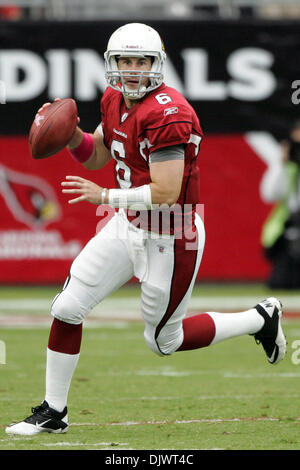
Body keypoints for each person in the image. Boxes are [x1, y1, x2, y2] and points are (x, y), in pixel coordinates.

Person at [6, 23, 286, 436]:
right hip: (127, 224)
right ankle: (54, 411)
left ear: (156, 64)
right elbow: (100, 154)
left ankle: (260, 318)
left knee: (163, 342)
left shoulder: (168, 113)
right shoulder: (113, 99)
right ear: (112, 63)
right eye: (125, 60)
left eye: (141, 61)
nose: (132, 69)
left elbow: (167, 192)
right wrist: (70, 137)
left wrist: (105, 198)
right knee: (67, 307)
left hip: (171, 233)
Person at [261, 120, 300, 289]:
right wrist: (282, 165)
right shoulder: (287, 166)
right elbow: (269, 195)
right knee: (281, 283)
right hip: (288, 230)